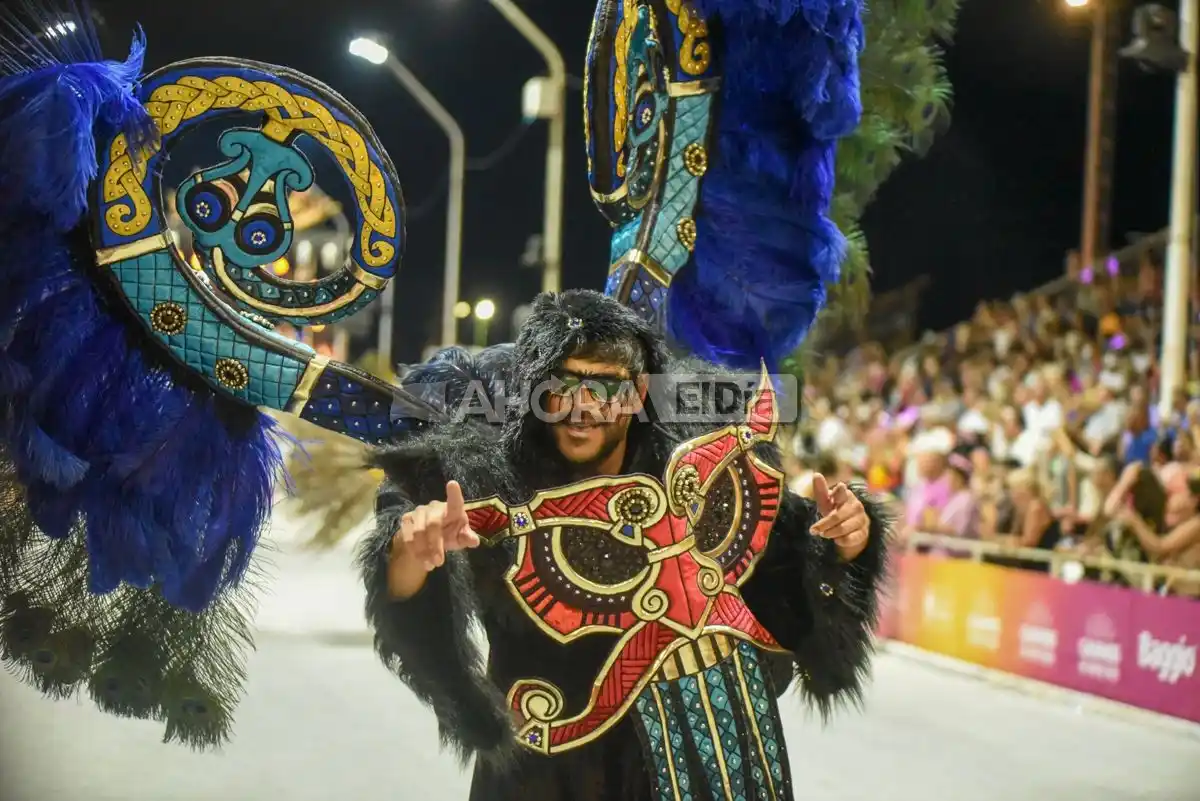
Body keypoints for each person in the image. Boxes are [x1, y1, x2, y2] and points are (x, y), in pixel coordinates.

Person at [358, 291, 889, 801]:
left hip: (710, 752)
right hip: (551, 773)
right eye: (562, 386)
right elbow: (418, 616)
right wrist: (409, 560)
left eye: (604, 387)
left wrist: (848, 540)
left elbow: (797, 576)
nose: (581, 406)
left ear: (637, 395)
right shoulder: (491, 484)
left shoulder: (703, 470)